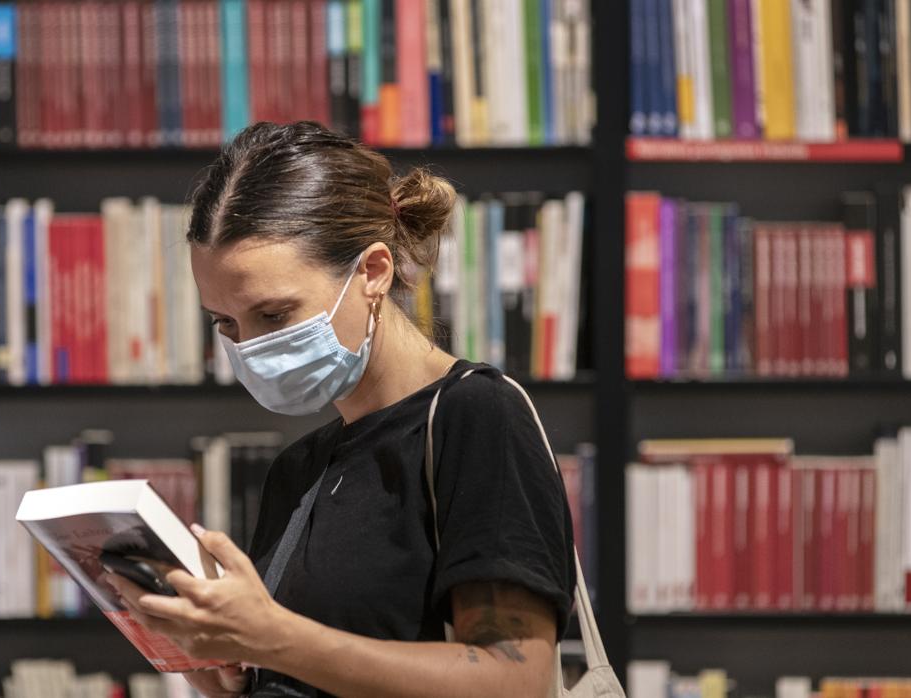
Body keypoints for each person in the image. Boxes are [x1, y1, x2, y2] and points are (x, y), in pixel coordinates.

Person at [104, 121, 576, 698]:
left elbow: (515, 681)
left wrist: (273, 638)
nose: (248, 346)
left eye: (273, 315)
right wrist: (225, 672)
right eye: (226, 323)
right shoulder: (298, 470)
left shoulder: (476, 415)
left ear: (373, 273)